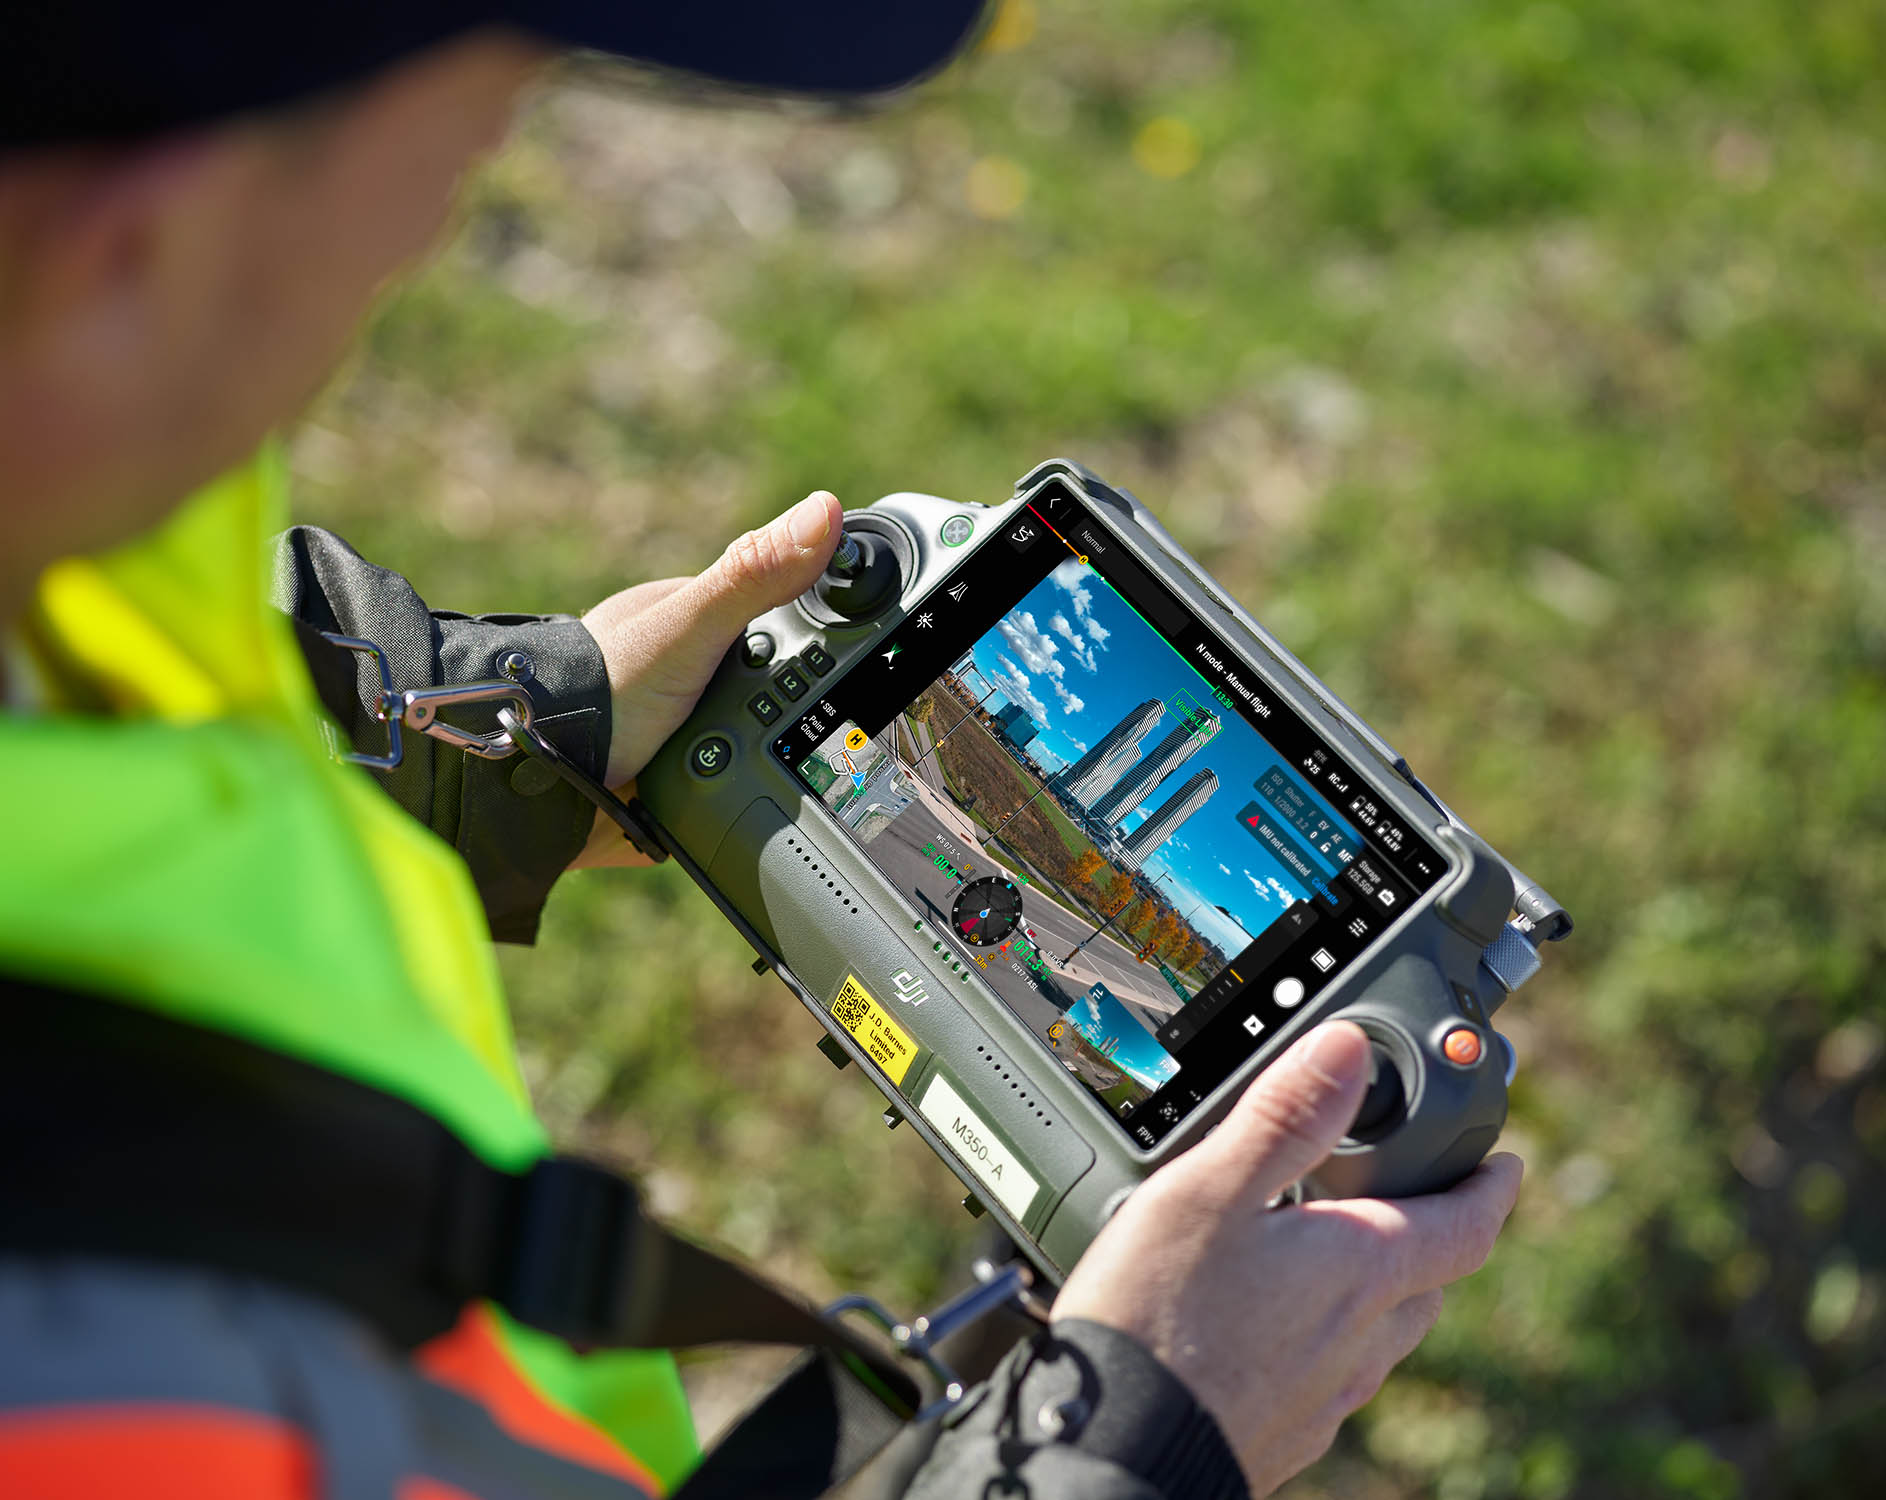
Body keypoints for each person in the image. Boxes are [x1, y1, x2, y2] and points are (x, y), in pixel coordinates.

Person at [0, 7, 1524, 1499]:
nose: (441, 207)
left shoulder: (59, 515)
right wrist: (1129, 1443)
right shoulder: (105, 1375)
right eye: (471, 124)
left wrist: (522, 723)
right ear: (129, 251)